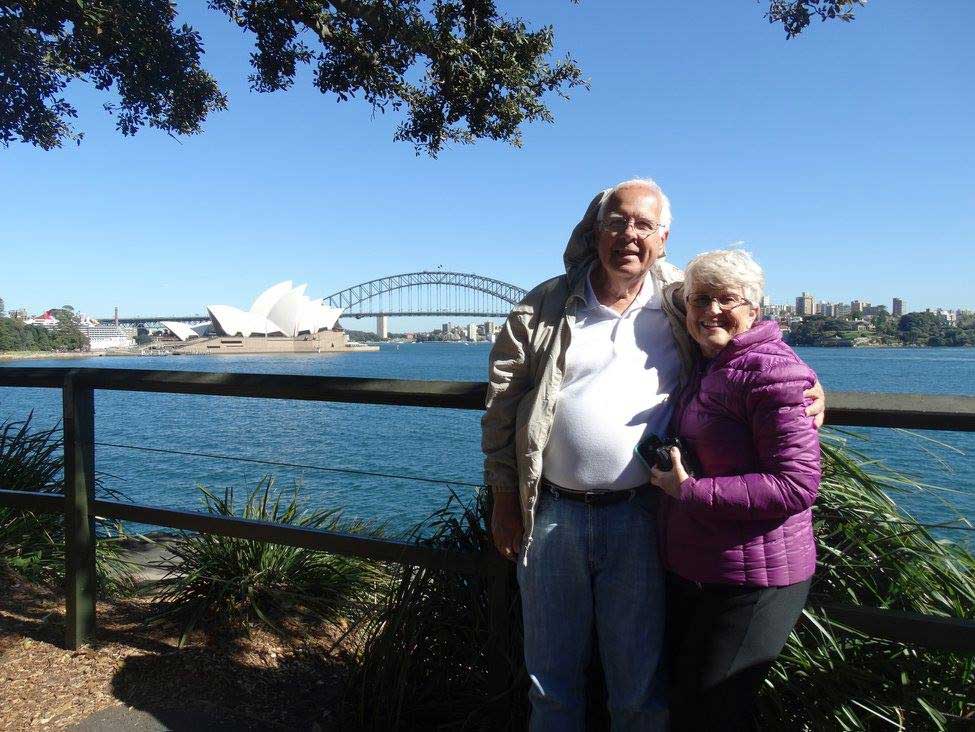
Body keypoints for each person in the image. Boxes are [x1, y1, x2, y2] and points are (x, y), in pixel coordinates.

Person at [482, 181, 823, 730]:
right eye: (617, 222)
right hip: (550, 515)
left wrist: (811, 385)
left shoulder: (679, 301)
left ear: (663, 240)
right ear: (595, 230)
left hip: (643, 515)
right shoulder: (542, 306)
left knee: (639, 685)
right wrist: (504, 496)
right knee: (550, 683)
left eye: (644, 226)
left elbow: (747, 338)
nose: (629, 236)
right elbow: (502, 405)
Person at [649, 249, 821, 731]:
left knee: (713, 710)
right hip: (708, 569)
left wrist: (690, 491)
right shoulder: (709, 363)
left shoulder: (773, 370)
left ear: (755, 307)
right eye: (699, 299)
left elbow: (796, 484)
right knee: (693, 705)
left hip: (757, 578)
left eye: (728, 299)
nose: (710, 311)